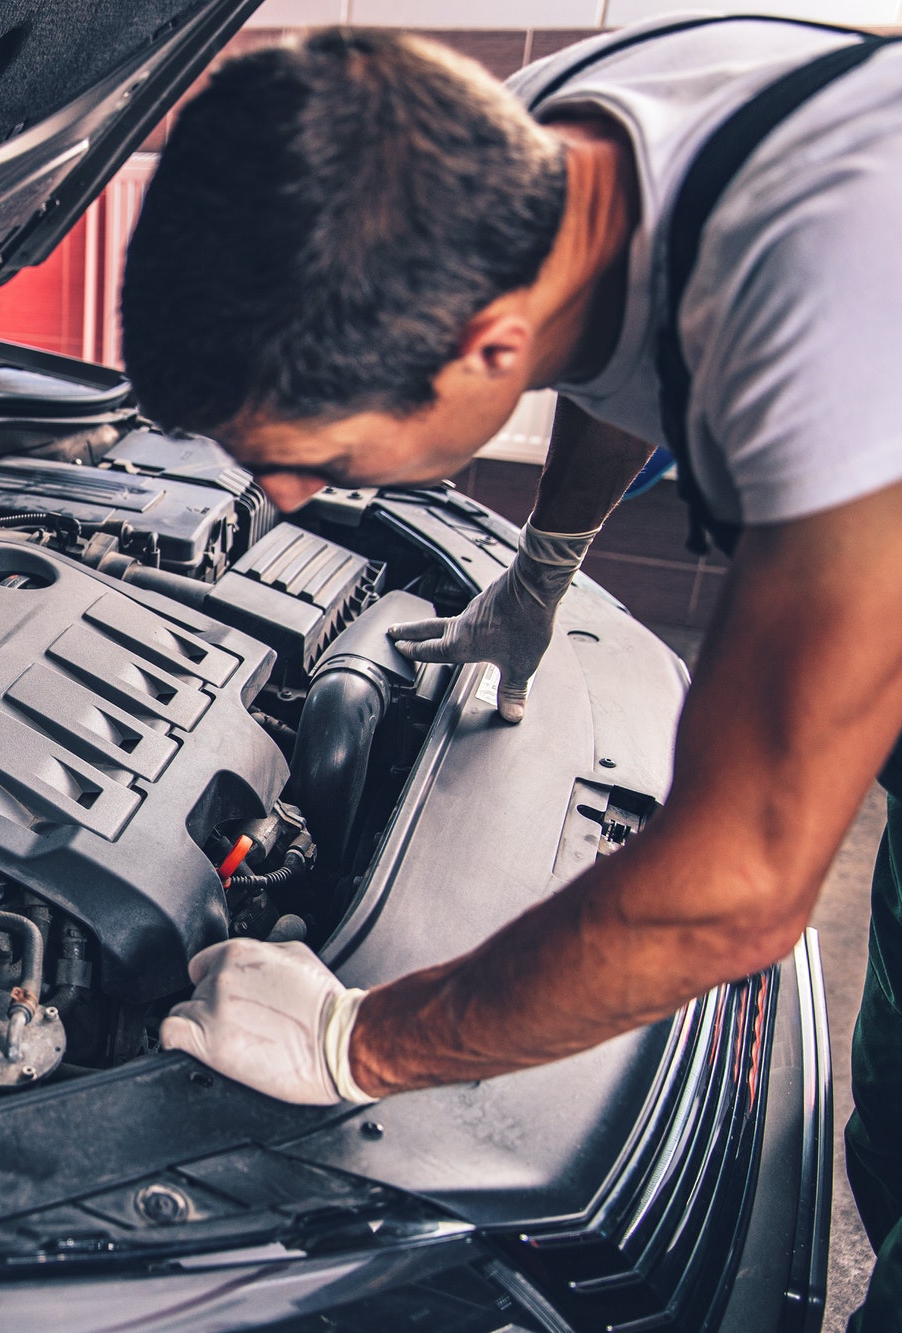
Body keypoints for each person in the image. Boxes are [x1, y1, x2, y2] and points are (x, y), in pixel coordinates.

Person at [122, 19, 902, 1327]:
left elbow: (742, 889)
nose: (290, 496)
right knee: (884, 1145)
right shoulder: (539, 152)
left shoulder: (843, 291)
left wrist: (358, 1042)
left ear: (483, 345)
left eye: (323, 457)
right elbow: (603, 342)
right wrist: (540, 569)